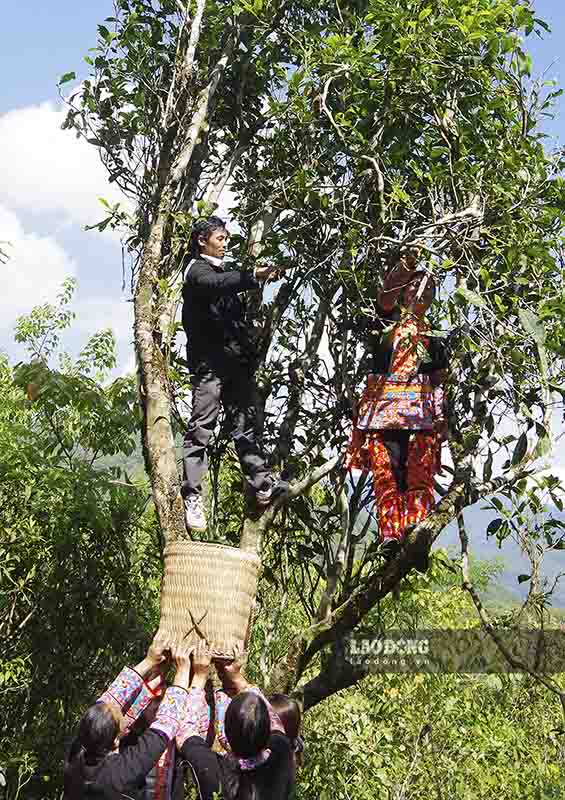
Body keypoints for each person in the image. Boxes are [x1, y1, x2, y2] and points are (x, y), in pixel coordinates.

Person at [181, 216, 287, 532]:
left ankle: (261, 483)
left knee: (246, 425)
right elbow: (216, 284)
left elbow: (232, 310)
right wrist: (252, 275)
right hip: (208, 367)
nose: (225, 242)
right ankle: (192, 495)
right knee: (202, 427)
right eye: (220, 236)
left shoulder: (224, 274)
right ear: (202, 240)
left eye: (226, 237)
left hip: (234, 366)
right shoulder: (196, 270)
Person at [345, 250, 448, 570]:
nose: (421, 294)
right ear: (405, 291)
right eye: (415, 287)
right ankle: (390, 536)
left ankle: (416, 536)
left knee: (419, 479)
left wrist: (443, 418)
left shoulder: (435, 336)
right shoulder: (387, 322)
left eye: (429, 289)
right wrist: (407, 266)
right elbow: (385, 296)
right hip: (383, 414)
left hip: (420, 420)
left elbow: (440, 380)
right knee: (386, 476)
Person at [64, 637, 193, 799]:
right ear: (115, 741)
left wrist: (149, 661)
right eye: (122, 719)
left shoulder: (76, 754)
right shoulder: (123, 773)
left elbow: (108, 701)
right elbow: (163, 728)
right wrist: (183, 671)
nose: (122, 711)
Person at [175, 643, 295, 800]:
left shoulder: (213, 770)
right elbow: (275, 724)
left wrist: (199, 677)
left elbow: (184, 734)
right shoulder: (281, 754)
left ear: (225, 732)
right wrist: (237, 679)